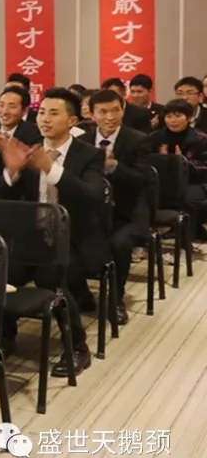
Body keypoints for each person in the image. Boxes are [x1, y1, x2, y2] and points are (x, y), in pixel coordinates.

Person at [0, 88, 110, 377]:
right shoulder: (30, 149)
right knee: (4, 272)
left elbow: (93, 195)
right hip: (34, 239)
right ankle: (5, 337)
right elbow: (8, 199)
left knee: (51, 277)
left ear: (72, 121)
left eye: (54, 113)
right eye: (42, 112)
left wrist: (52, 169)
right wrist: (12, 172)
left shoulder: (90, 155)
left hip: (76, 240)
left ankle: (77, 347)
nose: (45, 119)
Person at [82, 89, 149, 324]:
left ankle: (116, 298)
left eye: (115, 110)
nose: (110, 117)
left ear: (123, 110)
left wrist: (114, 166)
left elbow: (143, 179)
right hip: (93, 212)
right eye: (103, 112)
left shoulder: (138, 139)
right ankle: (81, 295)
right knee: (68, 238)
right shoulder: (82, 141)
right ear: (91, 114)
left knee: (118, 244)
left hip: (128, 213)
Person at [147, 99, 207, 240]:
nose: (173, 120)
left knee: (189, 197)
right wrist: (164, 161)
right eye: (169, 116)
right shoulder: (155, 137)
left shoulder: (200, 139)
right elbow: (146, 160)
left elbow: (204, 166)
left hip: (195, 181)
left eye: (178, 116)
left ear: (189, 118)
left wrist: (181, 162)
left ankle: (188, 235)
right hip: (162, 180)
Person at [0, 85, 42, 175]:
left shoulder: (35, 134)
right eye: (1, 105)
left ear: (24, 111)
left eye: (12, 107)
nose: (4, 111)